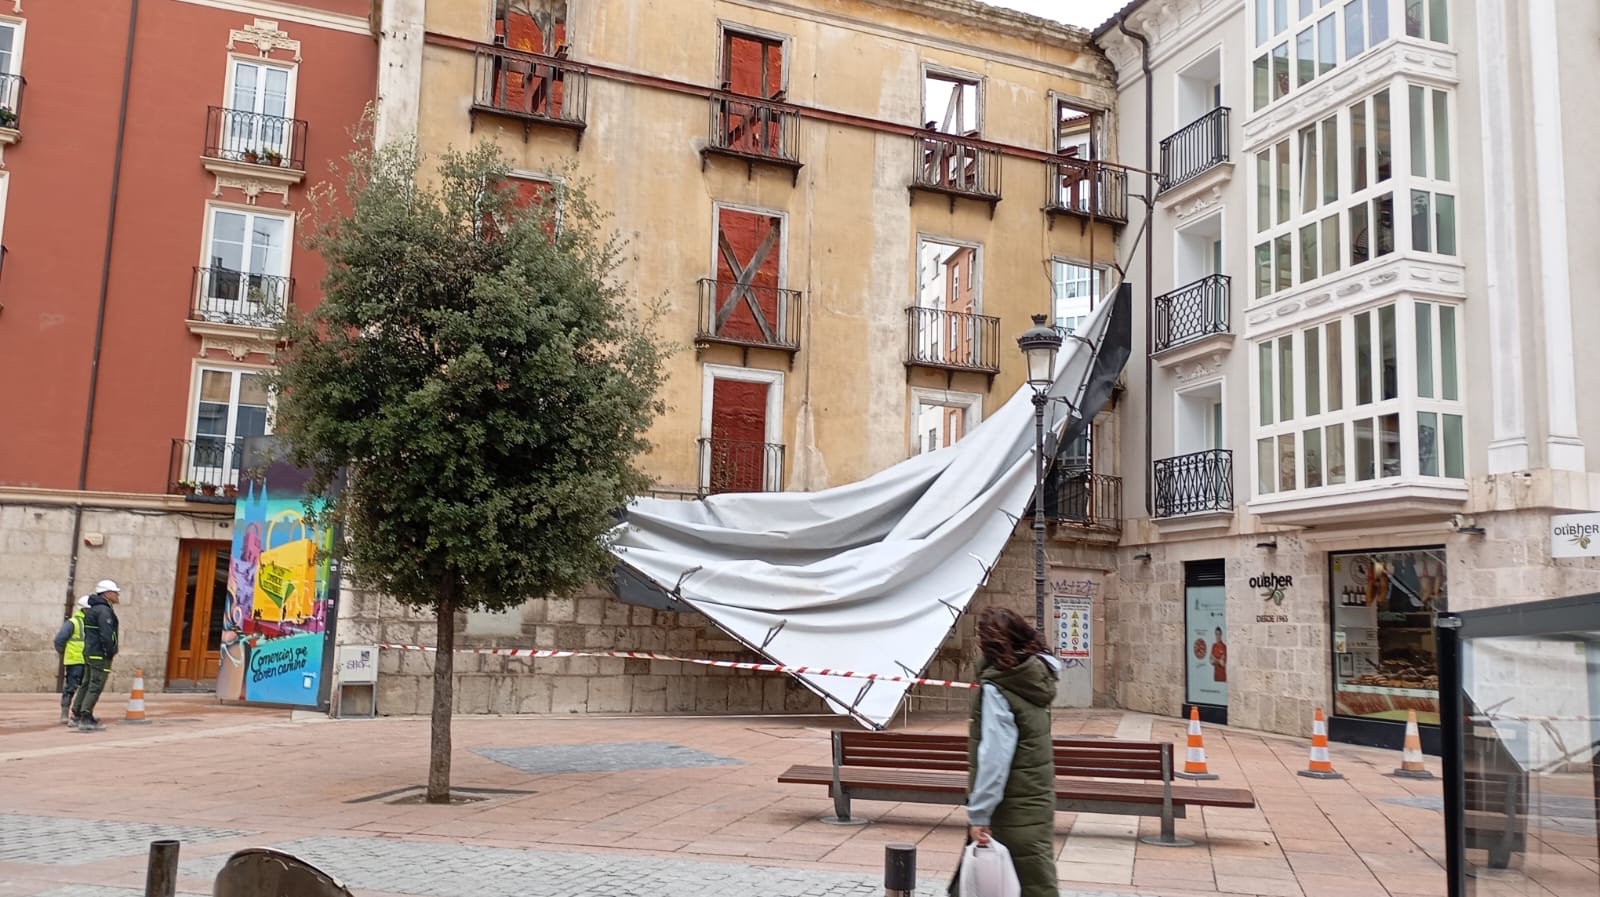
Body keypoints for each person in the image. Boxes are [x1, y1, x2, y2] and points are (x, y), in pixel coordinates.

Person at [958, 607, 1062, 897]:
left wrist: (980, 813)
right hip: (1034, 802)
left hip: (1009, 808)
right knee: (1035, 881)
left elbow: (995, 755)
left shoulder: (998, 687)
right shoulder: (1036, 678)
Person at [69, 580, 122, 731]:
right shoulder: (104, 611)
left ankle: (77, 713)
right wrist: (110, 651)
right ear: (107, 594)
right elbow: (106, 634)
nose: (118, 595)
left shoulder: (92, 609)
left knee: (86, 684)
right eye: (115, 592)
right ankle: (86, 717)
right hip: (99, 654)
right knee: (95, 685)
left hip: (90, 652)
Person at [52, 595, 91, 724]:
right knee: (71, 687)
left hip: (88, 660)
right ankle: (64, 713)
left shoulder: (91, 622)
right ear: (83, 609)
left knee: (85, 687)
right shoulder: (73, 622)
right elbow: (59, 640)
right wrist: (64, 653)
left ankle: (81, 712)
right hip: (75, 660)